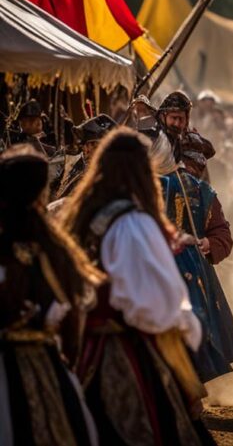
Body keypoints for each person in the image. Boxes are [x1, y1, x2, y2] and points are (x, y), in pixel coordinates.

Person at [62, 129, 213, 445]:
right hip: (125, 351)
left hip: (83, 349)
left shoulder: (82, 216)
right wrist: (186, 334)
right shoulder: (133, 223)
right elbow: (153, 307)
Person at [0, 146, 103, 445]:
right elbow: (75, 317)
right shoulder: (54, 249)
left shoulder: (49, 249)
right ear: (40, 195)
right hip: (46, 367)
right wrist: (68, 363)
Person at [151, 127, 233, 383]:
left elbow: (222, 233)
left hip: (194, 271)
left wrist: (208, 243)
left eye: (199, 164)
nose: (194, 168)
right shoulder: (151, 186)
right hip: (156, 264)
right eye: (190, 161)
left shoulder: (205, 193)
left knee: (197, 329)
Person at [52, 114, 117, 201]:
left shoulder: (114, 176)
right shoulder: (74, 163)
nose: (86, 149)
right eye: (85, 144)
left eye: (94, 145)